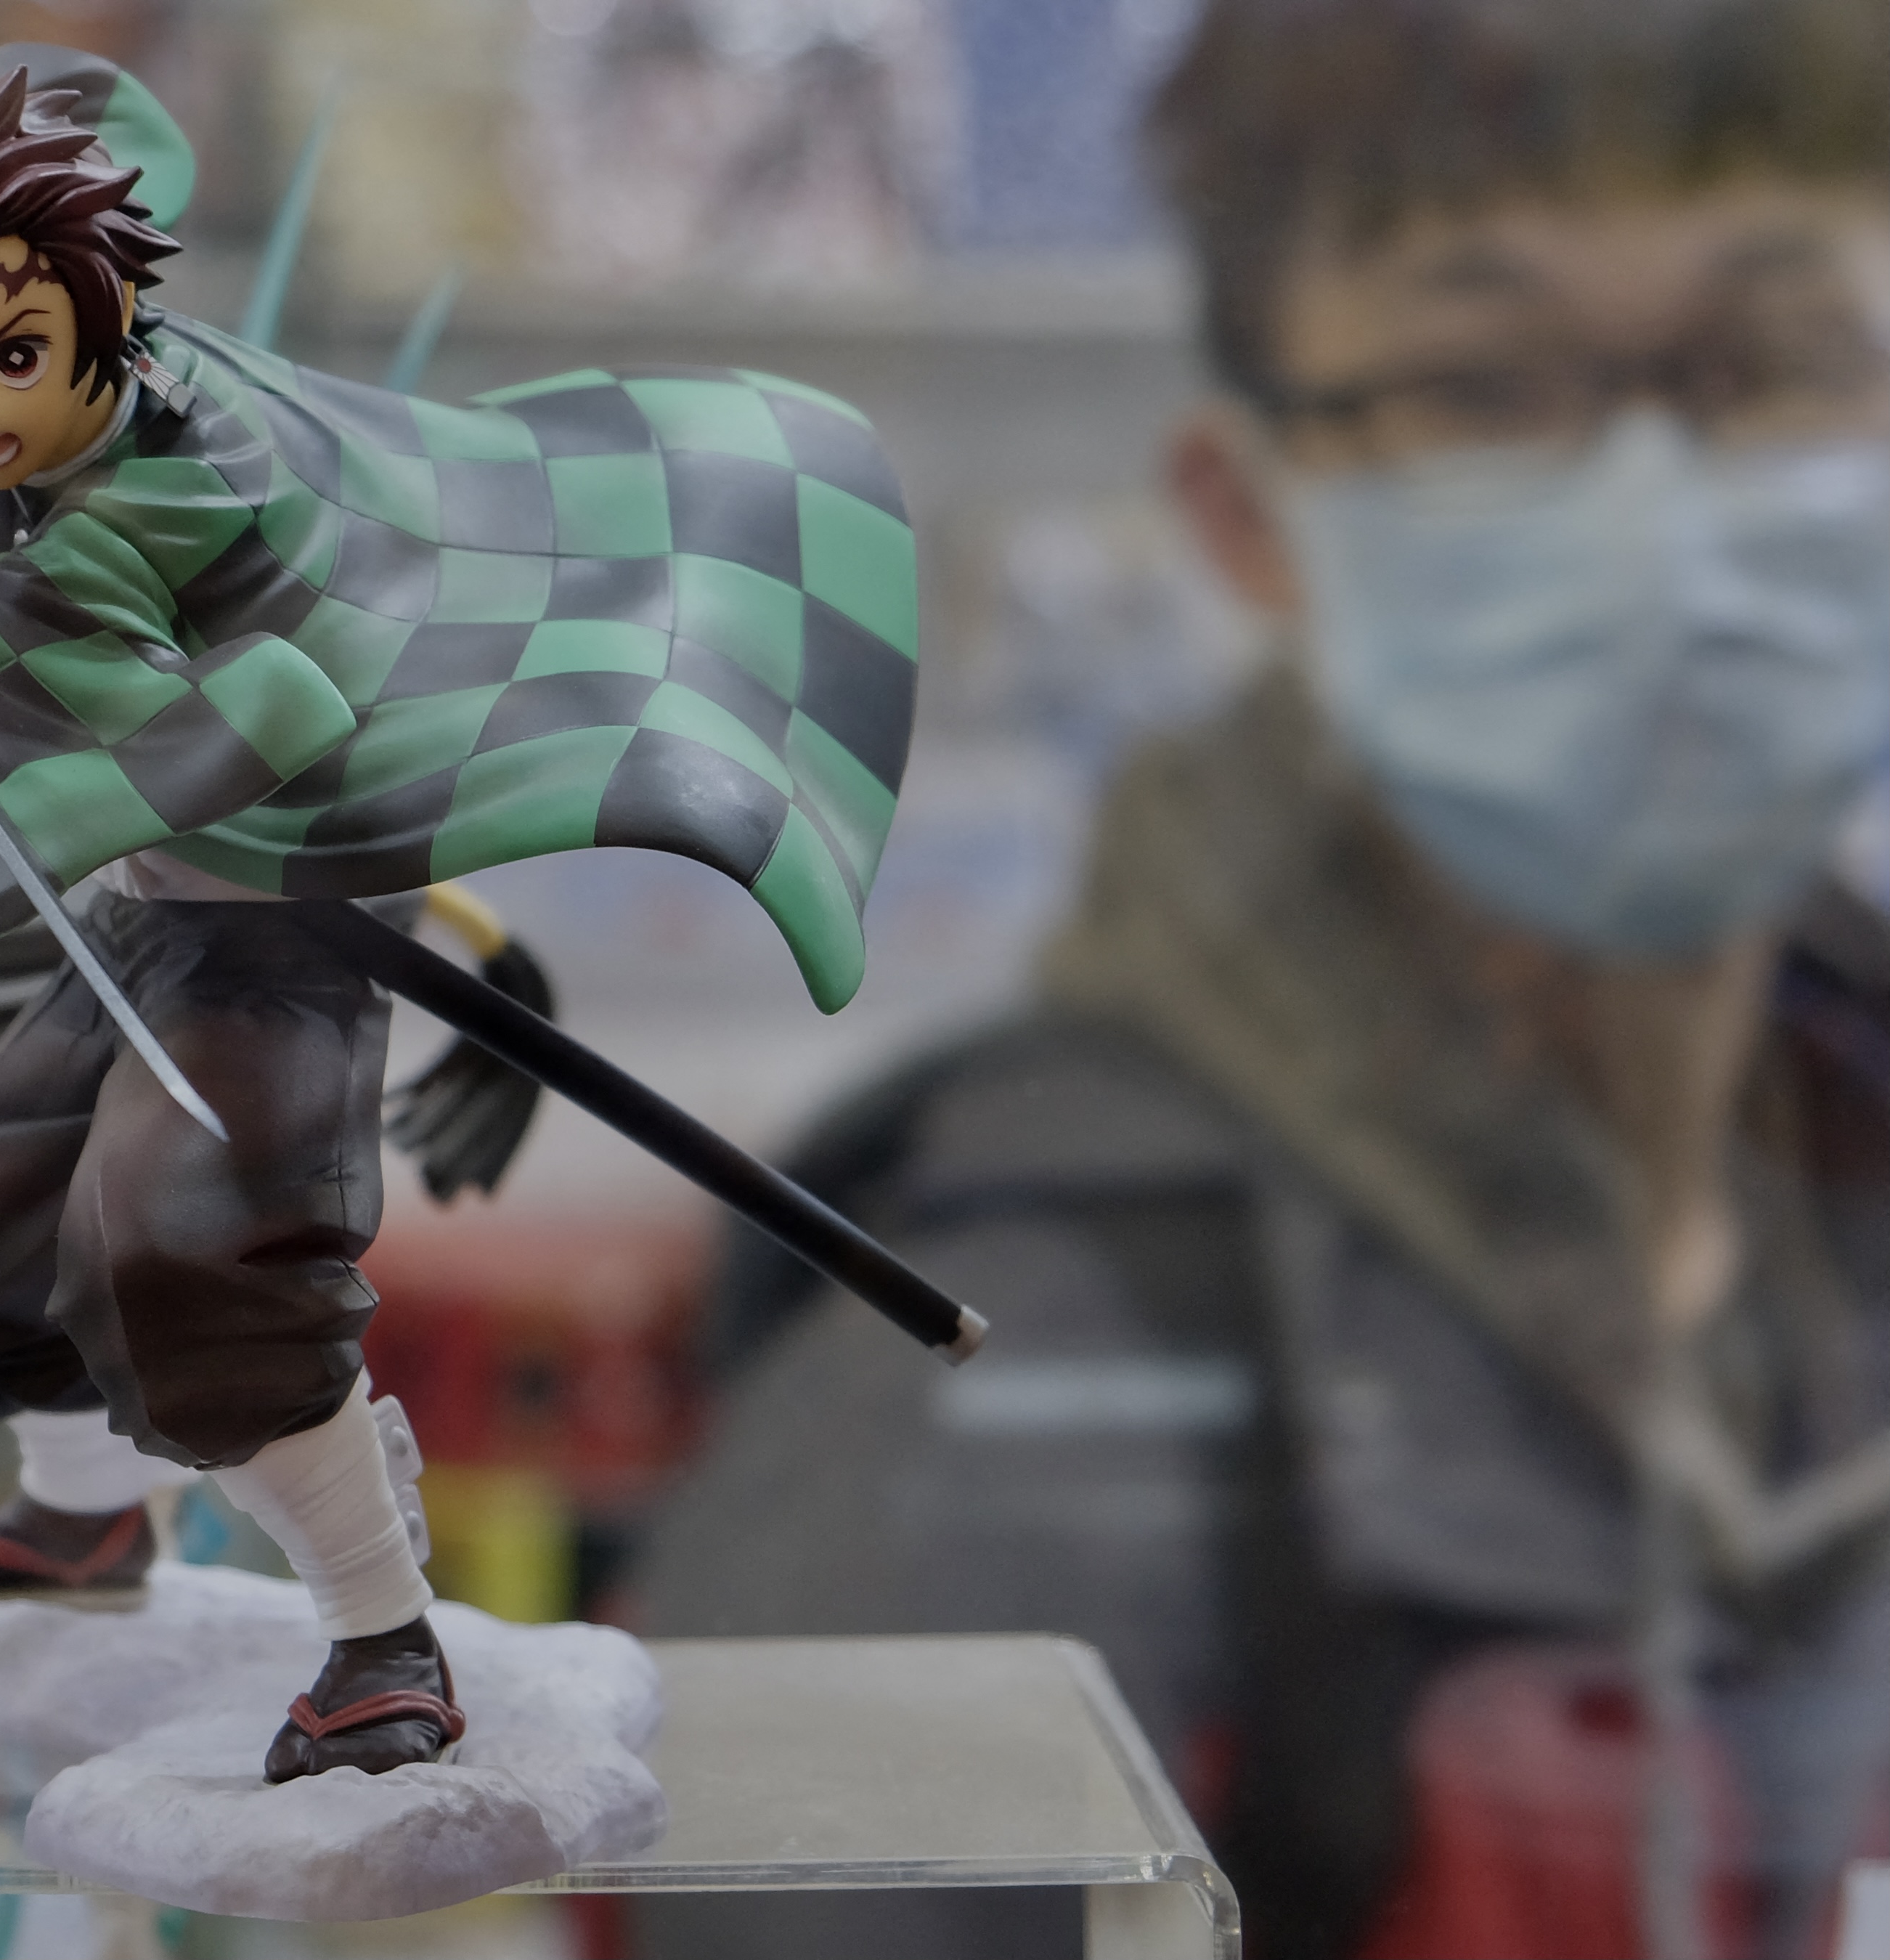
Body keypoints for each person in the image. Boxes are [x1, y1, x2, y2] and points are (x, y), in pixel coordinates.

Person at [630, 2, 1890, 1956]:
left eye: (1765, 365)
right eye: (1481, 386)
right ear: (1247, 515)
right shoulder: (1004, 1378)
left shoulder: (1829, 1179)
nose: (1651, 505)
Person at [0, 49, 918, 1781]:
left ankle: (382, 1638)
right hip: (171, 911)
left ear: (100, 301)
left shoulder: (152, 499)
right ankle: (86, 1520)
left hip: (273, 934)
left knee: (192, 1265)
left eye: (3, 358)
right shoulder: (88, 344)